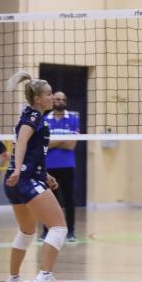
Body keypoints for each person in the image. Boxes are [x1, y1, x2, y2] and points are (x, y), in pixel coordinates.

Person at [2, 71, 67, 282]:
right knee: (59, 228)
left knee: (27, 231)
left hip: (20, 180)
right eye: (49, 94)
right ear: (38, 98)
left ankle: (13, 280)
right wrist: (19, 169)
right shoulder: (32, 118)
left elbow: (31, 150)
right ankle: (45, 277)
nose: (53, 98)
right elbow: (20, 142)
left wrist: (45, 174)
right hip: (25, 180)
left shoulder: (33, 115)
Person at [44, 91, 80, 241]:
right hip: (48, 167)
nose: (60, 101)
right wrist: (62, 140)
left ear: (65, 101)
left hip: (67, 166)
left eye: (63, 99)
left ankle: (71, 232)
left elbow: (72, 144)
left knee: (69, 199)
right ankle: (46, 231)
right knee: (49, 201)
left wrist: (52, 141)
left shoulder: (73, 118)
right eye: (57, 99)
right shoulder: (45, 119)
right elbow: (43, 143)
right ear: (53, 101)